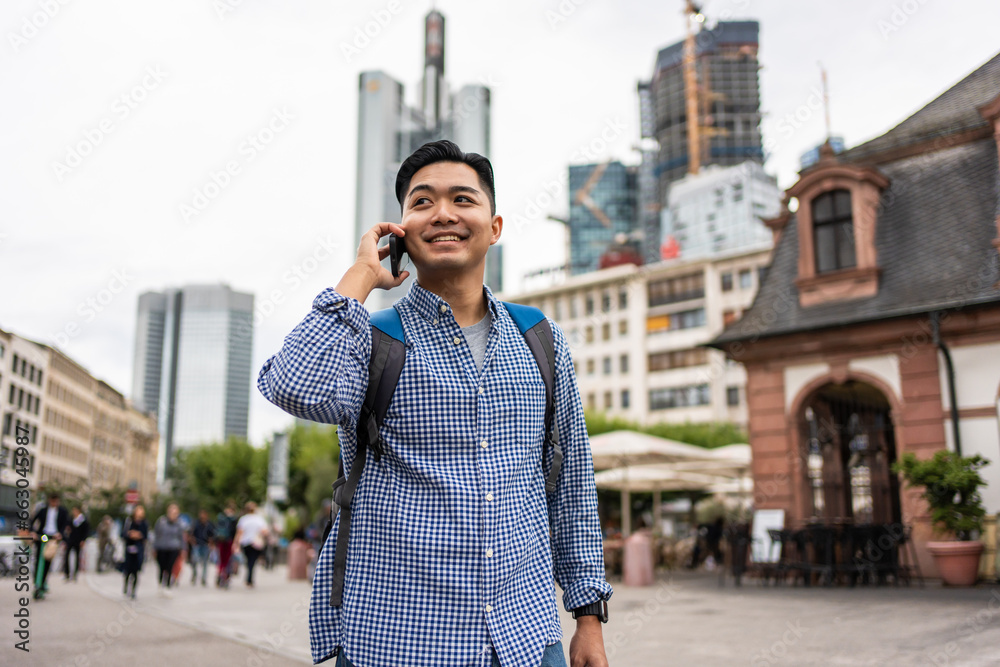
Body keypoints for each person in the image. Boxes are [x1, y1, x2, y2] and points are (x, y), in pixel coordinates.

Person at [258, 140, 612, 667]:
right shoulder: (373, 338)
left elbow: (572, 482)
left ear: (494, 227)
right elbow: (293, 385)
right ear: (399, 231)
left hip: (525, 638)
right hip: (398, 640)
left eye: (463, 200)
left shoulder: (540, 337)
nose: (443, 213)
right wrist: (361, 277)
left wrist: (587, 617)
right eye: (421, 202)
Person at [29, 492, 69, 598]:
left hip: (53, 537)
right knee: (38, 559)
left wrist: (60, 533)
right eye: (52, 501)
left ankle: (42, 582)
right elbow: (32, 520)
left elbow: (66, 524)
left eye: (56, 501)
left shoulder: (62, 511)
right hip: (43, 535)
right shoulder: (43, 510)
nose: (54, 503)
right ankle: (37, 582)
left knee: (47, 560)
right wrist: (32, 532)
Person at [233, 501, 268, 588]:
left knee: (248, 560)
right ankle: (250, 579)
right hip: (255, 543)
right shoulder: (259, 519)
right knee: (252, 561)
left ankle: (249, 578)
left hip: (245, 543)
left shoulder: (243, 519)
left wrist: (235, 543)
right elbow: (265, 531)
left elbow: (239, 533)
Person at [152, 503, 184, 598]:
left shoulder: (179, 523)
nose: (174, 514)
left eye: (176, 513)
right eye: (172, 512)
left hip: (173, 548)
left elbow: (181, 537)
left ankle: (168, 586)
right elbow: (156, 535)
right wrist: (154, 547)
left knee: (170, 567)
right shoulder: (161, 521)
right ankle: (160, 583)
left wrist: (183, 549)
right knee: (162, 567)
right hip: (161, 547)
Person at [121, 505, 149, 599]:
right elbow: (123, 534)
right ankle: (125, 586)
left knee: (136, 572)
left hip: (139, 550)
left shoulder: (144, 523)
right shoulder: (129, 522)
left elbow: (145, 536)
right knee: (128, 570)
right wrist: (130, 534)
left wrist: (139, 535)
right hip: (129, 549)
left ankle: (133, 591)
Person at [188, 509, 216, 586]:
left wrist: (211, 543)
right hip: (197, 544)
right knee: (194, 561)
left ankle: (204, 578)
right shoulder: (196, 523)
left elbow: (212, 535)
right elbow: (191, 533)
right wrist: (192, 540)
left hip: (205, 545)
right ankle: (195, 574)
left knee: (205, 563)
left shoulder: (209, 524)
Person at [63, 505, 90, 581]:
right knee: (67, 555)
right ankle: (67, 573)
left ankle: (75, 573)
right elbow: (66, 527)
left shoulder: (83, 520)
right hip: (70, 540)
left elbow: (86, 531)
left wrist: (83, 540)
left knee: (77, 557)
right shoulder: (71, 519)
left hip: (78, 541)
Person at [215, 501, 238, 588]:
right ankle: (225, 576)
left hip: (221, 540)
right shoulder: (233, 519)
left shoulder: (221, 517)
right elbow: (235, 531)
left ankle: (220, 574)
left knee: (221, 559)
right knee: (227, 559)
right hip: (229, 541)